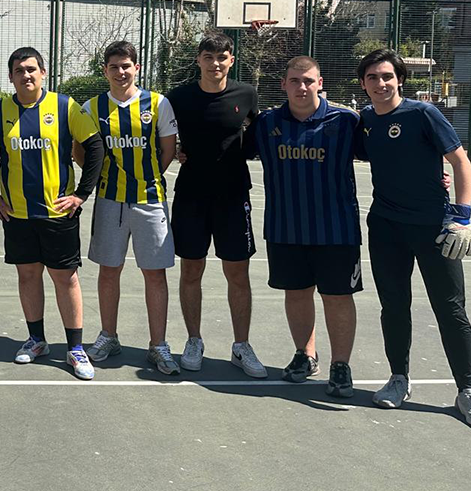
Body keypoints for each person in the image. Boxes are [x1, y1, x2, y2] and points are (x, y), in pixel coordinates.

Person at [356, 49, 471, 430]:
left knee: (450, 309)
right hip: (386, 227)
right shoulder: (365, 120)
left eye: (387, 76)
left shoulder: (423, 113)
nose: (381, 83)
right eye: (373, 77)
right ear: (364, 84)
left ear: (400, 80)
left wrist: (461, 217)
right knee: (393, 305)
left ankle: (467, 391)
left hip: (433, 228)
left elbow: (460, 161)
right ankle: (398, 379)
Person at [0, 47, 104, 380]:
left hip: (58, 213)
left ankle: (75, 348)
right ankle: (36, 339)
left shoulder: (65, 107)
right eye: (19, 70)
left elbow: (95, 147)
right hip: (17, 214)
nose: (26, 75)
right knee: (27, 276)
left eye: (31, 69)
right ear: (10, 77)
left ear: (43, 73)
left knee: (65, 278)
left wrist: (81, 194)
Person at [250, 56, 361, 397]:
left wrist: (435, 178)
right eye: (295, 81)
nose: (302, 87)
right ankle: (305, 354)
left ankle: (340, 365)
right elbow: (226, 151)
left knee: (337, 297)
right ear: (283, 84)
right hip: (286, 227)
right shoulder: (266, 123)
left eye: (309, 80)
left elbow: (391, 154)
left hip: (336, 230)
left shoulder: (346, 121)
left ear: (320, 83)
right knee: (296, 293)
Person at [77, 41, 181, 375]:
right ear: (105, 70)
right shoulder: (92, 107)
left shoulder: (158, 103)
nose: (120, 72)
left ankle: (158, 345)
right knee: (109, 269)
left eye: (126, 66)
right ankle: (109, 335)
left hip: (150, 199)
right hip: (110, 199)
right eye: (114, 66)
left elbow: (167, 150)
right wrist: (103, 176)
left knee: (155, 273)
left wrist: (147, 178)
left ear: (136, 67)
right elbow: (81, 151)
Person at [166, 32, 267, 377]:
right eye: (208, 57)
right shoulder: (178, 97)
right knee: (191, 270)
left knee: (237, 273)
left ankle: (241, 345)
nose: (215, 64)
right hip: (191, 195)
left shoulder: (246, 94)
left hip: (233, 196)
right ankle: (194, 340)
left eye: (222, 57)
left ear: (231, 60)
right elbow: (163, 135)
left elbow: (255, 133)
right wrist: (176, 150)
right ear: (198, 60)